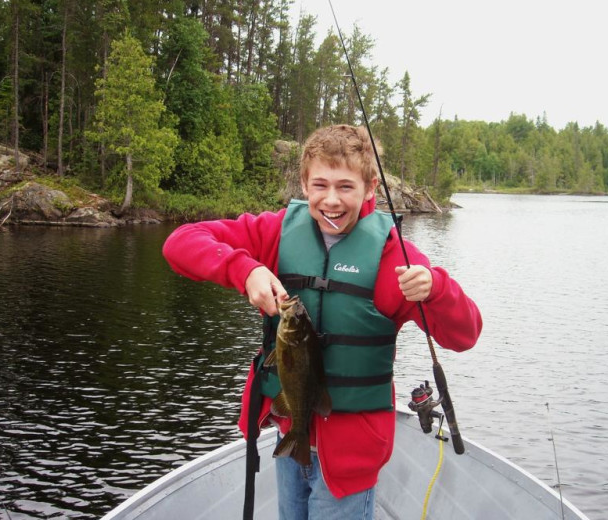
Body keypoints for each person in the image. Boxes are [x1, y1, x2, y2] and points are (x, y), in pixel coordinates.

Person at [162, 124, 482, 519]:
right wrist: (243, 270)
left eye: (346, 187)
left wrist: (436, 289)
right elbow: (180, 243)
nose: (331, 200)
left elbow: (465, 335)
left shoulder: (393, 258)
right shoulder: (274, 233)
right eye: (320, 185)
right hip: (290, 438)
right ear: (303, 184)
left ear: (370, 190)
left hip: (352, 455)